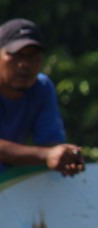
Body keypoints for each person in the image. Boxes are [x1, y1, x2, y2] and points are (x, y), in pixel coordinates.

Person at [0, 18, 85, 177]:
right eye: (17, 55)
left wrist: (66, 155)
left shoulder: (41, 88)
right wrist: (46, 155)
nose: (25, 64)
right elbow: (46, 153)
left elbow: (50, 144)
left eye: (33, 57)